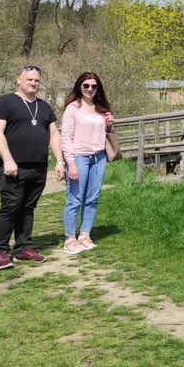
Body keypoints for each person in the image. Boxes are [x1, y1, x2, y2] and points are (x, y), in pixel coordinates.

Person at [0, 65, 64, 271]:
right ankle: (0, 252)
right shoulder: (5, 103)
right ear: (18, 80)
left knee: (28, 208)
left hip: (38, 166)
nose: (33, 83)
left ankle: (23, 248)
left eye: (37, 80)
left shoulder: (44, 106)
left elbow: (54, 134)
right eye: (29, 79)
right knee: (10, 207)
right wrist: (8, 160)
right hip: (14, 166)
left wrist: (59, 161)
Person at [60, 72, 115, 255]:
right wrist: (71, 163)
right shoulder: (73, 108)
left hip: (98, 157)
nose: (90, 89)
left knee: (92, 198)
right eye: (86, 86)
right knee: (74, 198)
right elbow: (66, 138)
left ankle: (85, 234)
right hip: (79, 157)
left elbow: (105, 133)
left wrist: (109, 124)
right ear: (79, 87)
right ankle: (70, 238)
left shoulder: (101, 108)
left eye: (94, 86)